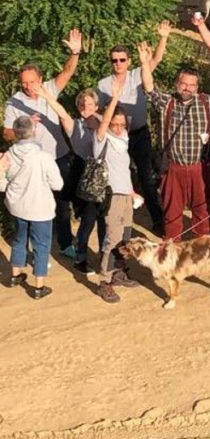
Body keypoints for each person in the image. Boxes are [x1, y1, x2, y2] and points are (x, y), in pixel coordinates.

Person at [3, 29, 82, 258]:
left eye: (32, 82)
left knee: (62, 202)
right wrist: (23, 127)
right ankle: (30, 249)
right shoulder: (14, 102)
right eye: (24, 83)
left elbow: (67, 72)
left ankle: (66, 244)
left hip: (58, 156)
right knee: (31, 206)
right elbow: (7, 133)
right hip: (30, 163)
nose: (29, 87)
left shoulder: (49, 89)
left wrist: (75, 52)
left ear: (40, 79)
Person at [140, 43, 210, 241]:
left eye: (191, 85)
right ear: (176, 84)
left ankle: (203, 251)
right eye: (183, 83)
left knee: (202, 210)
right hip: (173, 167)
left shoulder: (207, 102)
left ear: (197, 87)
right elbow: (149, 89)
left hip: (200, 166)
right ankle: (172, 254)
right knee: (172, 213)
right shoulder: (167, 103)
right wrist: (145, 64)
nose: (187, 88)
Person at [97, 22, 172, 235]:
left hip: (139, 134)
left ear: (128, 61)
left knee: (147, 179)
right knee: (117, 181)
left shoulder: (137, 74)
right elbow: (101, 111)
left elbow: (156, 60)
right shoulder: (104, 84)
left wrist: (163, 38)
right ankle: (116, 222)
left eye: (122, 60)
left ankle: (158, 221)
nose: (118, 64)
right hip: (116, 137)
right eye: (114, 60)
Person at [36, 86, 106, 273]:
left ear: (97, 106)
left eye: (90, 104)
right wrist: (46, 95)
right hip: (84, 172)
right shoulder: (74, 125)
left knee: (105, 217)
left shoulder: (104, 122)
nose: (86, 107)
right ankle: (81, 257)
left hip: (105, 172)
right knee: (88, 217)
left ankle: (106, 257)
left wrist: (99, 125)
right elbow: (60, 111)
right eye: (82, 104)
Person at [0, 116, 63, 299]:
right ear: (33, 132)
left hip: (18, 207)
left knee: (19, 240)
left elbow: (2, 183)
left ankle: (15, 275)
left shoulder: (8, 155)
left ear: (15, 133)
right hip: (40, 208)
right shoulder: (44, 157)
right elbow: (58, 184)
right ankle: (38, 287)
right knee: (41, 246)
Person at [92, 78, 140, 304]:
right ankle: (104, 281)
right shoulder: (102, 139)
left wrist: (132, 193)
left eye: (122, 124)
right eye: (115, 124)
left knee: (126, 239)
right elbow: (103, 125)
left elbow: (125, 170)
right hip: (112, 198)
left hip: (126, 197)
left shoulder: (123, 140)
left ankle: (119, 272)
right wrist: (114, 99)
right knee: (112, 240)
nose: (118, 128)